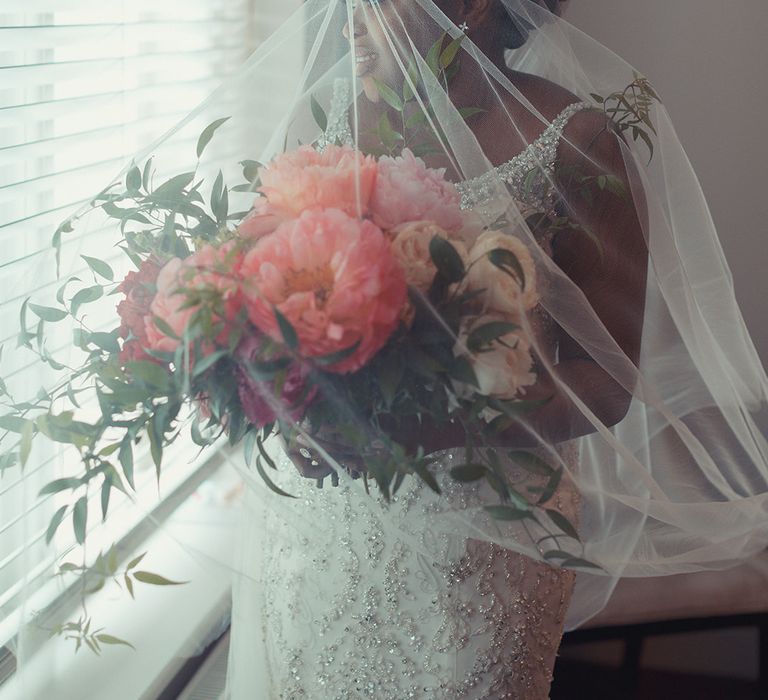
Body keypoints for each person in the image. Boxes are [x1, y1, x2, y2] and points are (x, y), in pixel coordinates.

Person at [225, 1, 768, 699]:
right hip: (327, 525)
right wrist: (288, 401)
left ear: (473, 5)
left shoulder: (577, 142)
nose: (347, 17)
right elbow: (273, 310)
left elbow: (605, 384)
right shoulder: (327, 121)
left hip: (485, 541)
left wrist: (422, 428)